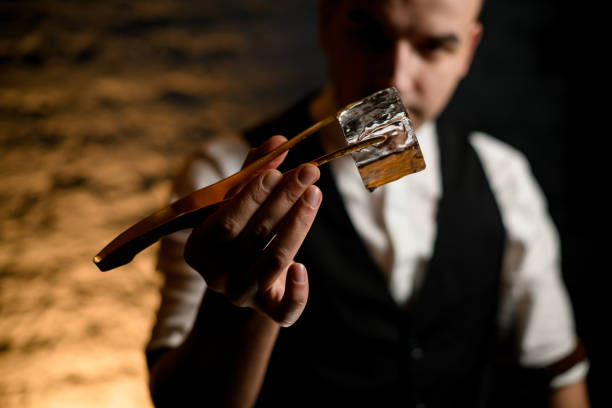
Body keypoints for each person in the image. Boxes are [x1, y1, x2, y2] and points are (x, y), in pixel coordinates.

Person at [145, 0, 590, 406]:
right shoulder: (225, 177)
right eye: (369, 35)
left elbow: (558, 374)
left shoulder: (502, 177)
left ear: (467, 52)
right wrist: (238, 308)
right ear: (327, 24)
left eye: (434, 46)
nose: (395, 78)